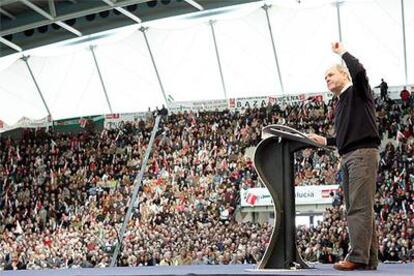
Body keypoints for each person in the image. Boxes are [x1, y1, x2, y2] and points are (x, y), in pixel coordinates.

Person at [308, 42, 381, 271]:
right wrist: (326, 141)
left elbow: (359, 71)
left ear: (344, 74)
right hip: (350, 154)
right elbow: (345, 137)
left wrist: (342, 52)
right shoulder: (341, 104)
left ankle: (358, 256)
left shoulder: (357, 90)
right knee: (360, 207)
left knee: (357, 207)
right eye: (325, 77)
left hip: (361, 155)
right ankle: (368, 258)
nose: (327, 79)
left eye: (330, 74)